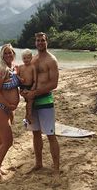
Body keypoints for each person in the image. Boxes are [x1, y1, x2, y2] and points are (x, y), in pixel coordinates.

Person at [21, 32, 60, 175]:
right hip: (32, 101)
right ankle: (38, 164)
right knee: (35, 134)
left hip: (45, 100)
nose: (40, 43)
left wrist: (35, 93)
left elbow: (54, 84)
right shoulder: (33, 59)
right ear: (35, 43)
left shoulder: (51, 60)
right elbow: (27, 77)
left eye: (42, 40)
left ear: (46, 42)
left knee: (50, 134)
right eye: (38, 40)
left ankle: (56, 168)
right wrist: (23, 90)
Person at [0, 44, 20, 182]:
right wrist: (8, 105)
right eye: (5, 53)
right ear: (2, 56)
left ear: (13, 54)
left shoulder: (13, 68)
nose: (8, 55)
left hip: (6, 110)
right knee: (8, 141)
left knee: (0, 140)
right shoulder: (2, 70)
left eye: (10, 53)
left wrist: (11, 111)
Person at [17, 49, 37, 124]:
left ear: (31, 58)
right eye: (24, 58)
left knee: (30, 101)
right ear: (22, 59)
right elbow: (16, 75)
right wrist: (20, 79)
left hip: (30, 86)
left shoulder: (33, 67)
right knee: (30, 101)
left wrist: (32, 89)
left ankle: (27, 116)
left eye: (28, 58)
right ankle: (28, 115)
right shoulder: (21, 67)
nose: (26, 60)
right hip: (23, 87)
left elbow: (35, 80)